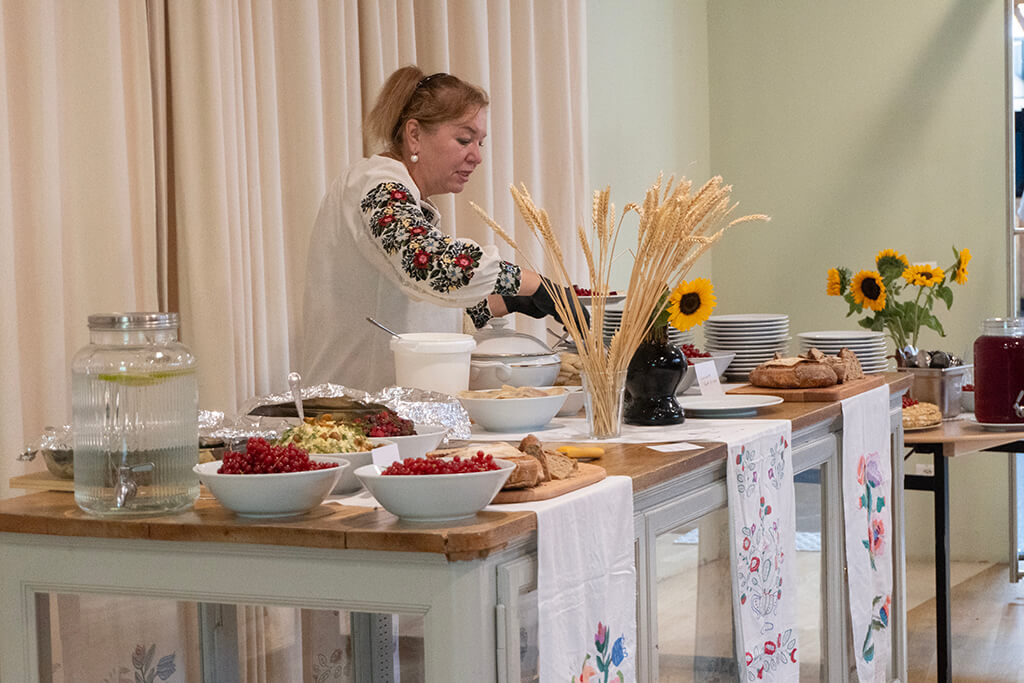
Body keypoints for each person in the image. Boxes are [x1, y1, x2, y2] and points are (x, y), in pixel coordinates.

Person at [301, 65, 585, 391]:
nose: (476, 156)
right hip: (349, 419)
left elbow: (427, 312)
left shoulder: (409, 201)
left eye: (481, 143)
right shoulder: (377, 185)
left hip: (385, 414)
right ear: (414, 135)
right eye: (464, 139)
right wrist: (530, 283)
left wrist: (511, 300)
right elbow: (427, 262)